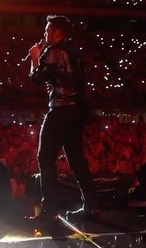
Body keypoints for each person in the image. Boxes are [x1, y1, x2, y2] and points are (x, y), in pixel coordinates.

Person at [26, 15, 99, 222]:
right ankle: (91, 206)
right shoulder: (74, 52)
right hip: (77, 112)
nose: (45, 34)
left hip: (60, 110)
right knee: (76, 159)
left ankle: (50, 211)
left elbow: (37, 79)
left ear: (57, 33)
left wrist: (34, 57)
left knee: (45, 158)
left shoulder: (53, 51)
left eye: (47, 30)